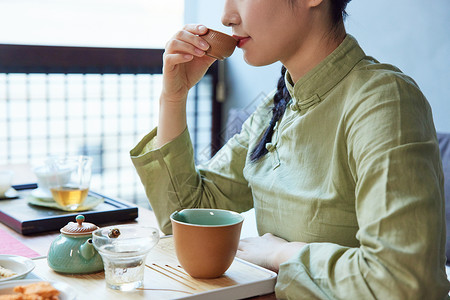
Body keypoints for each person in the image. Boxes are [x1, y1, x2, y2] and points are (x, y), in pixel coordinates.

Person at [131, 0, 450, 298]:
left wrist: (283, 254)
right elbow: (188, 219)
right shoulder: (273, 110)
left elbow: (403, 282)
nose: (227, 16)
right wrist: (173, 98)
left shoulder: (383, 101)